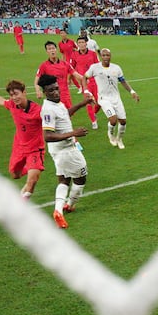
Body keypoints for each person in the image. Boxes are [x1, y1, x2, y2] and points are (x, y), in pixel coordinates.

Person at [38, 74, 93, 229]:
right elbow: (47, 136)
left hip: (60, 151)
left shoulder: (56, 103)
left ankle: (58, 211)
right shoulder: (48, 110)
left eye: (56, 88)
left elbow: (65, 114)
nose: (55, 92)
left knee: (64, 180)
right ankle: (70, 204)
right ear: (45, 92)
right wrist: (73, 133)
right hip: (66, 150)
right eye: (51, 90)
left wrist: (83, 103)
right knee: (81, 178)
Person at [0, 80, 44, 199]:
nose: (14, 97)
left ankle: (32, 174)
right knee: (15, 175)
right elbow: (1, 101)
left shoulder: (38, 111)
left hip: (35, 149)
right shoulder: (12, 105)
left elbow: (53, 121)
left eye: (16, 93)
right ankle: (31, 169)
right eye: (11, 95)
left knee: (32, 182)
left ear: (24, 92)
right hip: (19, 147)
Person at [84, 48, 140, 150]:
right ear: (101, 56)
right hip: (103, 98)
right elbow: (84, 77)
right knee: (113, 120)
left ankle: (119, 139)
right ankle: (110, 135)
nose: (105, 57)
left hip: (116, 98)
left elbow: (123, 81)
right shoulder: (95, 68)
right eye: (103, 55)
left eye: (107, 55)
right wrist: (86, 91)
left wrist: (132, 91)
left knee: (123, 121)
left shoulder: (116, 68)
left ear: (110, 56)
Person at [34, 40, 84, 108]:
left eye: (53, 48)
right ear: (47, 52)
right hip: (52, 98)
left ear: (56, 50)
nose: (52, 50)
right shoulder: (44, 66)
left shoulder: (65, 64)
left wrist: (86, 79)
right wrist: (38, 90)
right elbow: (36, 80)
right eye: (49, 49)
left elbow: (77, 75)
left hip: (65, 97)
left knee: (68, 116)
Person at [70, 35, 101, 129]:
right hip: (85, 82)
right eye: (79, 43)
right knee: (88, 102)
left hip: (95, 81)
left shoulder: (92, 54)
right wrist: (71, 78)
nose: (81, 44)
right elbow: (71, 68)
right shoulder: (74, 55)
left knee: (99, 102)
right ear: (77, 44)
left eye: (83, 42)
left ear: (86, 44)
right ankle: (93, 121)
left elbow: (97, 66)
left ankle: (94, 113)